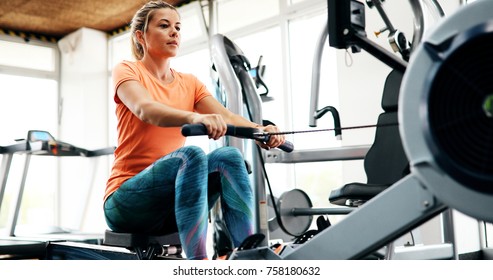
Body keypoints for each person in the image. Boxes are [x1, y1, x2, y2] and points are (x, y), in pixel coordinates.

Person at [103, 0, 285, 260]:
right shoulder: (128, 69)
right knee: (191, 155)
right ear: (141, 36)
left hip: (170, 205)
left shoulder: (190, 83)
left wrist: (262, 130)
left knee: (230, 157)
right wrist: (194, 117)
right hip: (126, 203)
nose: (174, 32)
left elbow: (229, 117)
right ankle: (198, 266)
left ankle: (248, 255)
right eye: (164, 26)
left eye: (177, 27)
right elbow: (145, 109)